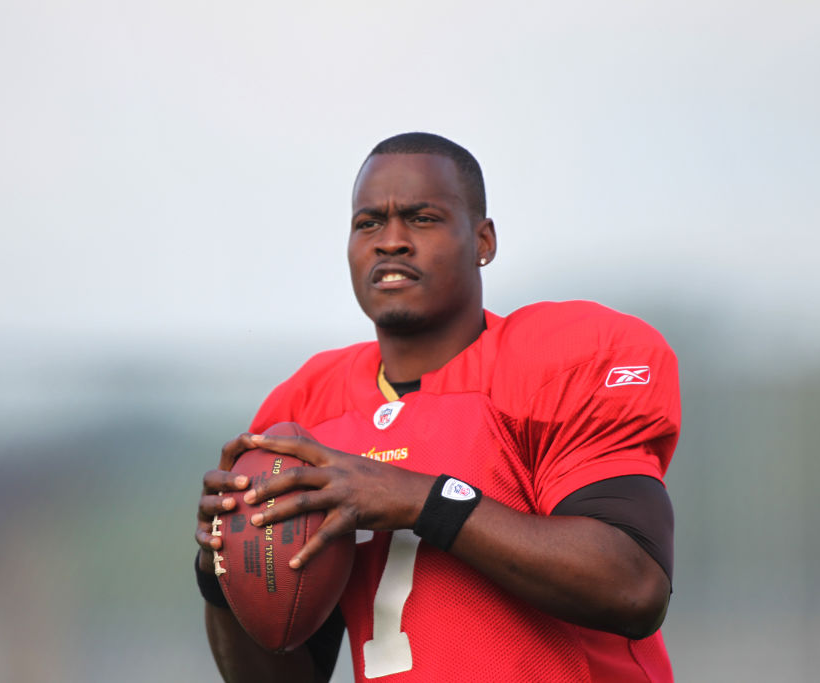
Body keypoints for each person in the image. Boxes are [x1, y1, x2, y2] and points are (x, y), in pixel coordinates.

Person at [195, 132, 680, 682]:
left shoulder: (558, 363)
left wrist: (424, 502)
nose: (391, 241)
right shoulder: (307, 412)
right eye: (368, 222)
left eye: (421, 218)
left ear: (483, 241)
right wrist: (221, 567)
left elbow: (634, 586)